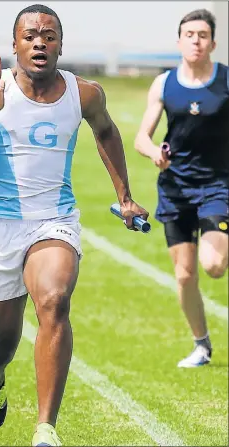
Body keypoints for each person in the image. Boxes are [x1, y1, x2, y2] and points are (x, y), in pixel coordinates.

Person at [0, 4, 148, 446]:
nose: (40, 42)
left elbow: (107, 132)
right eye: (30, 35)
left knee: (54, 301)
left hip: (54, 221)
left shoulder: (85, 93)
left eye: (49, 35)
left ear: (60, 43)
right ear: (14, 43)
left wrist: (126, 197)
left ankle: (45, 429)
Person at [135, 9, 228, 368]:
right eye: (189, 34)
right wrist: (153, 152)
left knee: (215, 264)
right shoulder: (163, 84)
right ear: (179, 41)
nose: (196, 40)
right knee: (185, 274)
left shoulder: (225, 81)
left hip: (216, 186)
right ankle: (201, 346)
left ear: (213, 43)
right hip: (175, 189)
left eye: (202, 35)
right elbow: (142, 136)